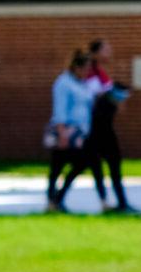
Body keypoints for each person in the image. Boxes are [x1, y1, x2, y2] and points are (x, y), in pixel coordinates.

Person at [46, 48, 101, 213]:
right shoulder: (64, 82)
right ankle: (52, 201)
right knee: (57, 167)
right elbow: (60, 109)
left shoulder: (82, 84)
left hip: (80, 134)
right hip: (66, 132)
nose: (87, 72)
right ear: (77, 67)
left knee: (79, 164)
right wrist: (62, 133)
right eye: (85, 69)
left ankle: (57, 199)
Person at [83, 38, 134, 214]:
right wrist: (112, 97)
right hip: (95, 126)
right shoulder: (89, 72)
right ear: (95, 52)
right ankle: (111, 202)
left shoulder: (100, 72)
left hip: (104, 125)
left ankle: (120, 202)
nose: (109, 53)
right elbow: (93, 97)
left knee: (111, 162)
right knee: (90, 165)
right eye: (106, 49)